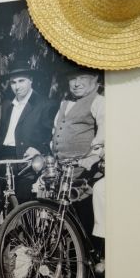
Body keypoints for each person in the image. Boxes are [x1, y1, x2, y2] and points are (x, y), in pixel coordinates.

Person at [52, 67, 105, 239]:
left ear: (95, 78)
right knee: (62, 217)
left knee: (85, 219)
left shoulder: (98, 101)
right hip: (63, 170)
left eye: (81, 78)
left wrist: (94, 156)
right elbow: (56, 130)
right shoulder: (64, 103)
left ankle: (96, 257)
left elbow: (105, 131)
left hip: (85, 172)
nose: (76, 84)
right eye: (72, 79)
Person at [0, 63, 54, 202]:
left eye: (21, 81)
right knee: (7, 204)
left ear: (31, 80)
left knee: (24, 206)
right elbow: (2, 134)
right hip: (5, 159)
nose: (17, 86)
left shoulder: (43, 104)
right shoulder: (7, 104)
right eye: (13, 82)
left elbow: (50, 135)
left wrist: (38, 149)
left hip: (26, 161)